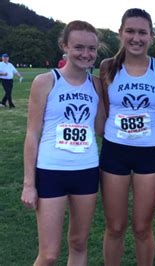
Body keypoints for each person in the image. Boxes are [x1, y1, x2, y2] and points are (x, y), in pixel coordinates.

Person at [21, 20, 104, 265]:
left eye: (92, 49)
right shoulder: (45, 82)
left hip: (86, 171)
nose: (86, 54)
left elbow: (100, 128)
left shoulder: (97, 85)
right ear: (64, 46)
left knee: (79, 244)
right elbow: (32, 134)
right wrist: (29, 184)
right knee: (48, 255)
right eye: (79, 47)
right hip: (51, 172)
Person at [99, 8, 155, 266]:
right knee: (116, 227)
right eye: (130, 31)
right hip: (114, 152)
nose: (136, 38)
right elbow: (107, 112)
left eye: (142, 32)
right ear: (120, 33)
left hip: (149, 154)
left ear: (152, 36)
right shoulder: (107, 67)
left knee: (143, 228)